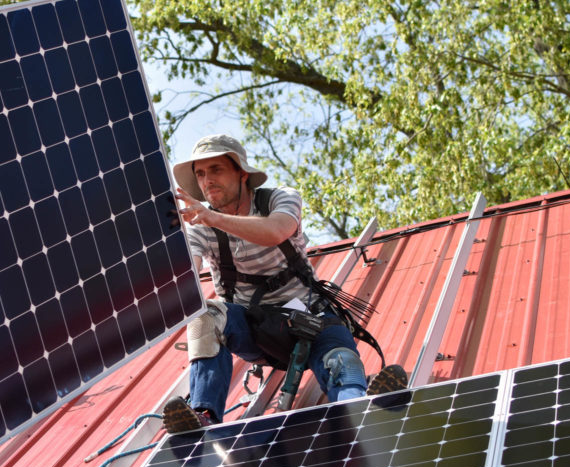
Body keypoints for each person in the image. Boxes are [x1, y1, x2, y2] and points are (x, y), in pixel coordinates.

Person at [164, 134, 406, 432]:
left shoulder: (280, 198)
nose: (206, 181)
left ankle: (361, 406)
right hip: (254, 329)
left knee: (340, 358)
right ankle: (203, 416)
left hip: (310, 318)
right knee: (205, 315)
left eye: (216, 169)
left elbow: (276, 230)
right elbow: (185, 273)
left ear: (241, 173)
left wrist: (213, 219)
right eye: (200, 174)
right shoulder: (200, 228)